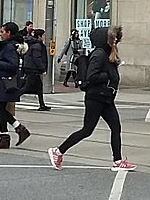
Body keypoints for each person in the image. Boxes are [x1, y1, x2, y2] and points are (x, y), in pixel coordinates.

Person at [48, 26, 134, 171]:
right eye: (112, 38)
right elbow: (91, 76)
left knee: (116, 127)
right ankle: (58, 151)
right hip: (96, 98)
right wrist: (107, 76)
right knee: (87, 130)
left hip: (105, 98)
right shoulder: (99, 54)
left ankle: (117, 161)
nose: (115, 41)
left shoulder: (107, 53)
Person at [0, 22, 31, 149]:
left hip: (5, 81)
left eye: (3, 32)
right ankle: (14, 132)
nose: (1, 34)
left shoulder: (9, 47)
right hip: (3, 80)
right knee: (0, 109)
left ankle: (10, 134)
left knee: (0, 108)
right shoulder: (10, 45)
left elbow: (13, 66)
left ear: (9, 33)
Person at [24, 29, 51, 111]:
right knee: (27, 87)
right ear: (39, 36)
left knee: (39, 88)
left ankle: (42, 104)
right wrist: (42, 69)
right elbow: (37, 58)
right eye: (43, 35)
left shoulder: (37, 45)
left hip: (33, 69)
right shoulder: (37, 46)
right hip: (33, 70)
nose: (44, 37)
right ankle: (11, 98)